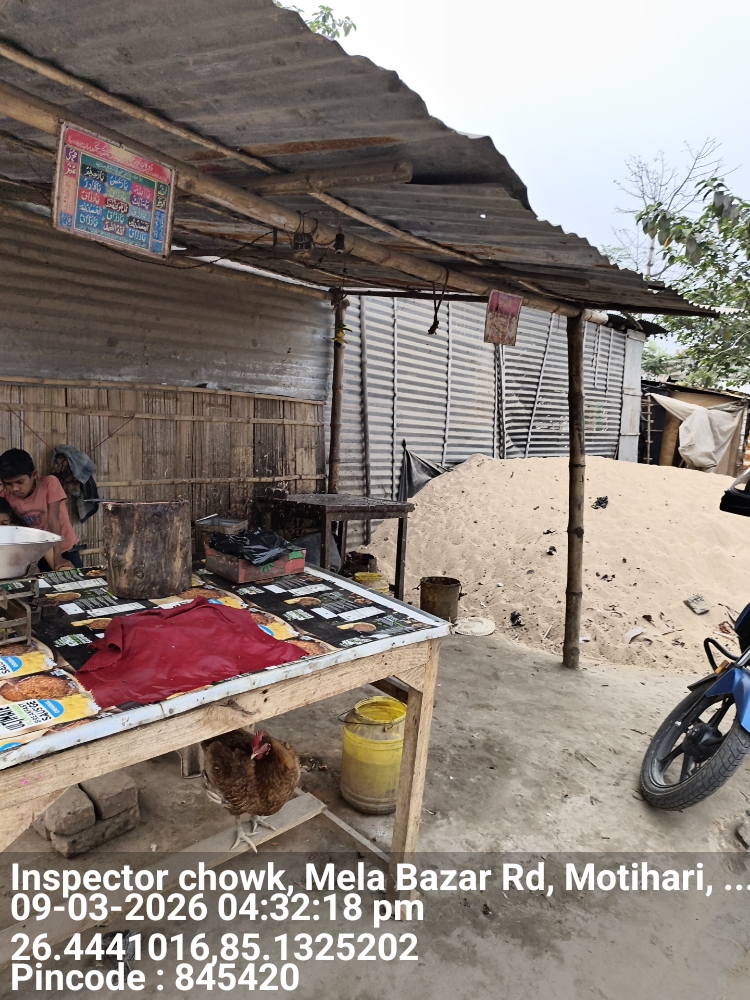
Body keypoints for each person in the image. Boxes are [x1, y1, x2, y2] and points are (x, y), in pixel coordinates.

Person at [0, 448, 81, 569]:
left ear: (34, 474)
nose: (15, 488)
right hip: (38, 551)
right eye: (8, 483)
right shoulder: (6, 494)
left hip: (63, 548)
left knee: (73, 577)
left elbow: (53, 520)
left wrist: (57, 557)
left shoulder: (49, 483)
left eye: (20, 482)